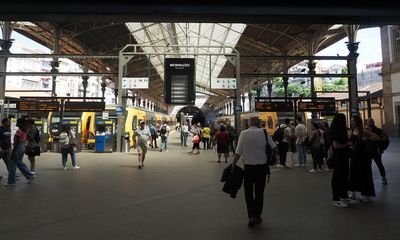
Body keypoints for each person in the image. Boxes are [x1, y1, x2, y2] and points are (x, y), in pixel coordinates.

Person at [231, 116, 277, 228]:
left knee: (248, 193)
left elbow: (238, 152)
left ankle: (251, 216)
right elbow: (274, 148)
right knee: (260, 193)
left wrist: (233, 164)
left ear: (249, 123)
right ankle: (258, 216)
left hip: (249, 169)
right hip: (262, 169)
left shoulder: (243, 134)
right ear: (260, 123)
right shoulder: (265, 133)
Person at [348, 115, 379, 202]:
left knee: (364, 174)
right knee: (353, 174)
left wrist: (367, 139)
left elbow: (376, 137)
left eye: (353, 120)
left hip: (363, 156)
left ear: (357, 122)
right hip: (354, 155)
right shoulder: (352, 130)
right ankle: (352, 193)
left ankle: (366, 195)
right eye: (351, 120)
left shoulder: (364, 131)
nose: (351, 122)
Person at [330, 113, 353, 208]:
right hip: (339, 157)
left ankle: (344, 195)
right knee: (338, 177)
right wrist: (347, 144)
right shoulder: (337, 131)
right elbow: (336, 146)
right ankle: (336, 199)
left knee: (344, 176)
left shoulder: (341, 130)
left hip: (343, 157)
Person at [7, 118, 36, 185]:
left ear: (20, 123)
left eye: (17, 122)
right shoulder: (25, 130)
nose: (16, 123)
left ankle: (11, 182)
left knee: (12, 164)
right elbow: (28, 138)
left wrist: (13, 151)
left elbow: (16, 143)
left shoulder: (19, 131)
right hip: (23, 147)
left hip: (18, 147)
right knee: (18, 163)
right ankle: (29, 176)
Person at [366, 118, 388, 185]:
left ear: (373, 122)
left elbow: (384, 139)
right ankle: (368, 178)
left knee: (379, 164)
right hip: (368, 151)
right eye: (368, 122)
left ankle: (383, 177)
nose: (370, 123)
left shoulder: (379, 131)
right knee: (367, 166)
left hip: (376, 151)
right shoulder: (366, 131)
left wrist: (380, 148)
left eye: (371, 122)